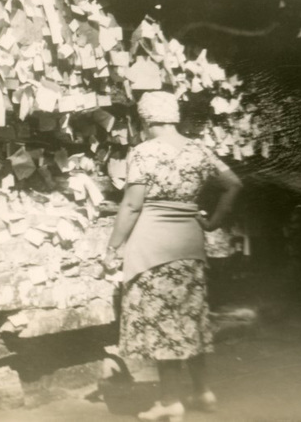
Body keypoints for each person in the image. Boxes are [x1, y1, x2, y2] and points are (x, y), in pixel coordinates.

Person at [102, 91, 243, 422]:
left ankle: (169, 402)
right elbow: (234, 184)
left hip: (152, 246)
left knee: (163, 323)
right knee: (188, 318)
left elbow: (133, 204)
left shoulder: (143, 153)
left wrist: (112, 248)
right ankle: (203, 392)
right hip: (189, 245)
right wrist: (211, 223)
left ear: (146, 120)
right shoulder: (199, 150)